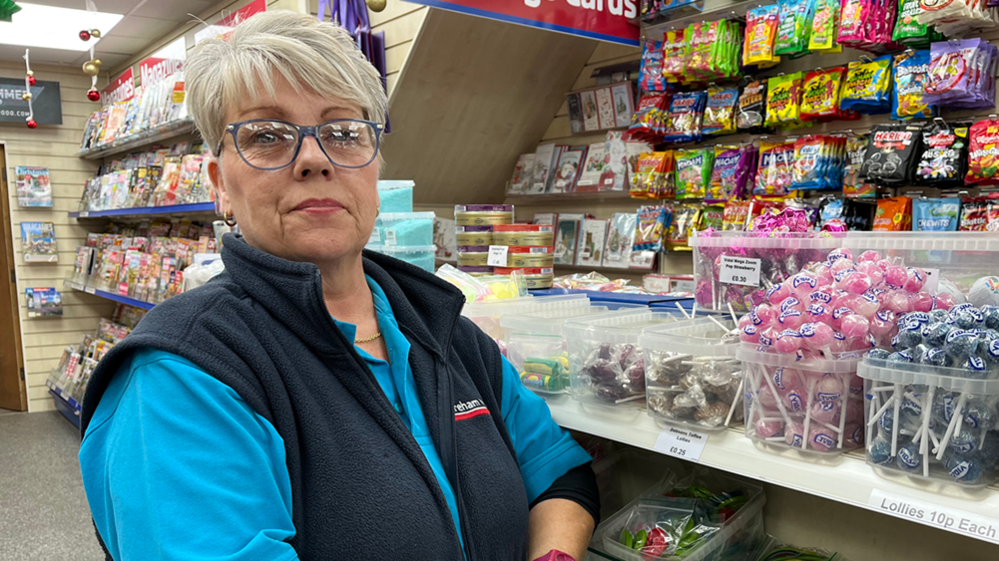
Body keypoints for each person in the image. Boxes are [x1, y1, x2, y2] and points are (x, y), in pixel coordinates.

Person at [78, 10, 599, 561]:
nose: (314, 159)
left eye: (344, 133)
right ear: (220, 187)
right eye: (267, 136)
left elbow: (558, 475)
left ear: (376, 170)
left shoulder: (446, 331)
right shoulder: (185, 375)